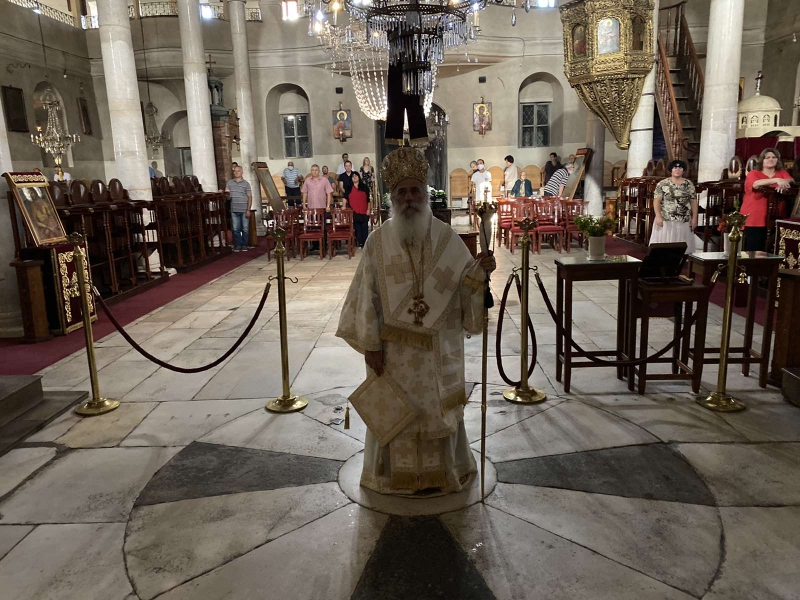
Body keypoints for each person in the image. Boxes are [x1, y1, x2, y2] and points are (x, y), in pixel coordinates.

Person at [336, 146, 496, 496]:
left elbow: (466, 283)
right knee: (397, 411)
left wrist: (480, 274)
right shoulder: (377, 242)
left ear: (426, 194)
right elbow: (365, 298)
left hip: (438, 348)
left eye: (415, 191)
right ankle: (393, 476)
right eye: (402, 192)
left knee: (436, 408)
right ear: (392, 198)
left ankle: (443, 472)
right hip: (393, 353)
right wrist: (370, 346)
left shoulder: (447, 238)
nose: (409, 198)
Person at [741, 147, 795, 251]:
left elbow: (791, 180)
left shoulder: (781, 172)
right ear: (762, 160)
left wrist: (784, 182)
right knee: (753, 250)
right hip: (755, 217)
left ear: (778, 159)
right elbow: (756, 184)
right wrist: (777, 180)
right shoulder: (754, 173)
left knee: (772, 249)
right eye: (767, 157)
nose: (771, 159)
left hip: (775, 217)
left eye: (774, 157)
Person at [649, 159, 697, 253]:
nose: (677, 170)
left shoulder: (689, 184)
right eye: (675, 168)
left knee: (682, 244)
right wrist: (658, 216)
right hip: (666, 218)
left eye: (680, 168)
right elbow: (656, 201)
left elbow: (693, 201)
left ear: (683, 170)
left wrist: (694, 217)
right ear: (671, 170)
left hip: (683, 219)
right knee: (664, 246)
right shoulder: (663, 183)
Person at [225, 165, 252, 252]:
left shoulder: (246, 184)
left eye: (238, 171)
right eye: (235, 171)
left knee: (245, 228)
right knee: (236, 229)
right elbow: (227, 197)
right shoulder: (230, 183)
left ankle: (244, 245)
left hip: (244, 209)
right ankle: (238, 245)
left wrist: (248, 210)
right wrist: (226, 194)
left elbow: (249, 197)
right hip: (234, 209)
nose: (236, 172)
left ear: (242, 172)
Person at [348, 172, 370, 248]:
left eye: (356, 176)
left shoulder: (364, 187)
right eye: (353, 176)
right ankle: (360, 243)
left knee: (364, 227)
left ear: (359, 177)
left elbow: (368, 200)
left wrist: (368, 209)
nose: (354, 177)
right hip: (355, 211)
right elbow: (345, 198)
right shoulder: (349, 188)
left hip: (364, 210)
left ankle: (366, 243)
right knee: (357, 228)